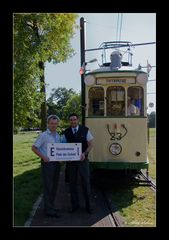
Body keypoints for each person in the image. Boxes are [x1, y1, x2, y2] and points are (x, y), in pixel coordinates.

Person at [62, 113, 94, 214]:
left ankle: (89, 206)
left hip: (83, 160)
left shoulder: (85, 130)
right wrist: (66, 156)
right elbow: (62, 146)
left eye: (74, 119)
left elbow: (91, 143)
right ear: (69, 121)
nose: (73, 121)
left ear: (78, 120)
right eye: (71, 120)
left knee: (85, 183)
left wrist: (85, 153)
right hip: (71, 162)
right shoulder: (66, 132)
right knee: (72, 184)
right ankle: (75, 206)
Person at [32, 115, 61, 218]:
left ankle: (50, 207)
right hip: (47, 164)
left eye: (55, 123)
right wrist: (43, 157)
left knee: (54, 186)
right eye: (51, 123)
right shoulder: (43, 135)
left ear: (57, 124)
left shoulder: (57, 135)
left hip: (56, 164)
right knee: (48, 186)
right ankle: (49, 210)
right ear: (48, 124)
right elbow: (34, 148)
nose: (53, 125)